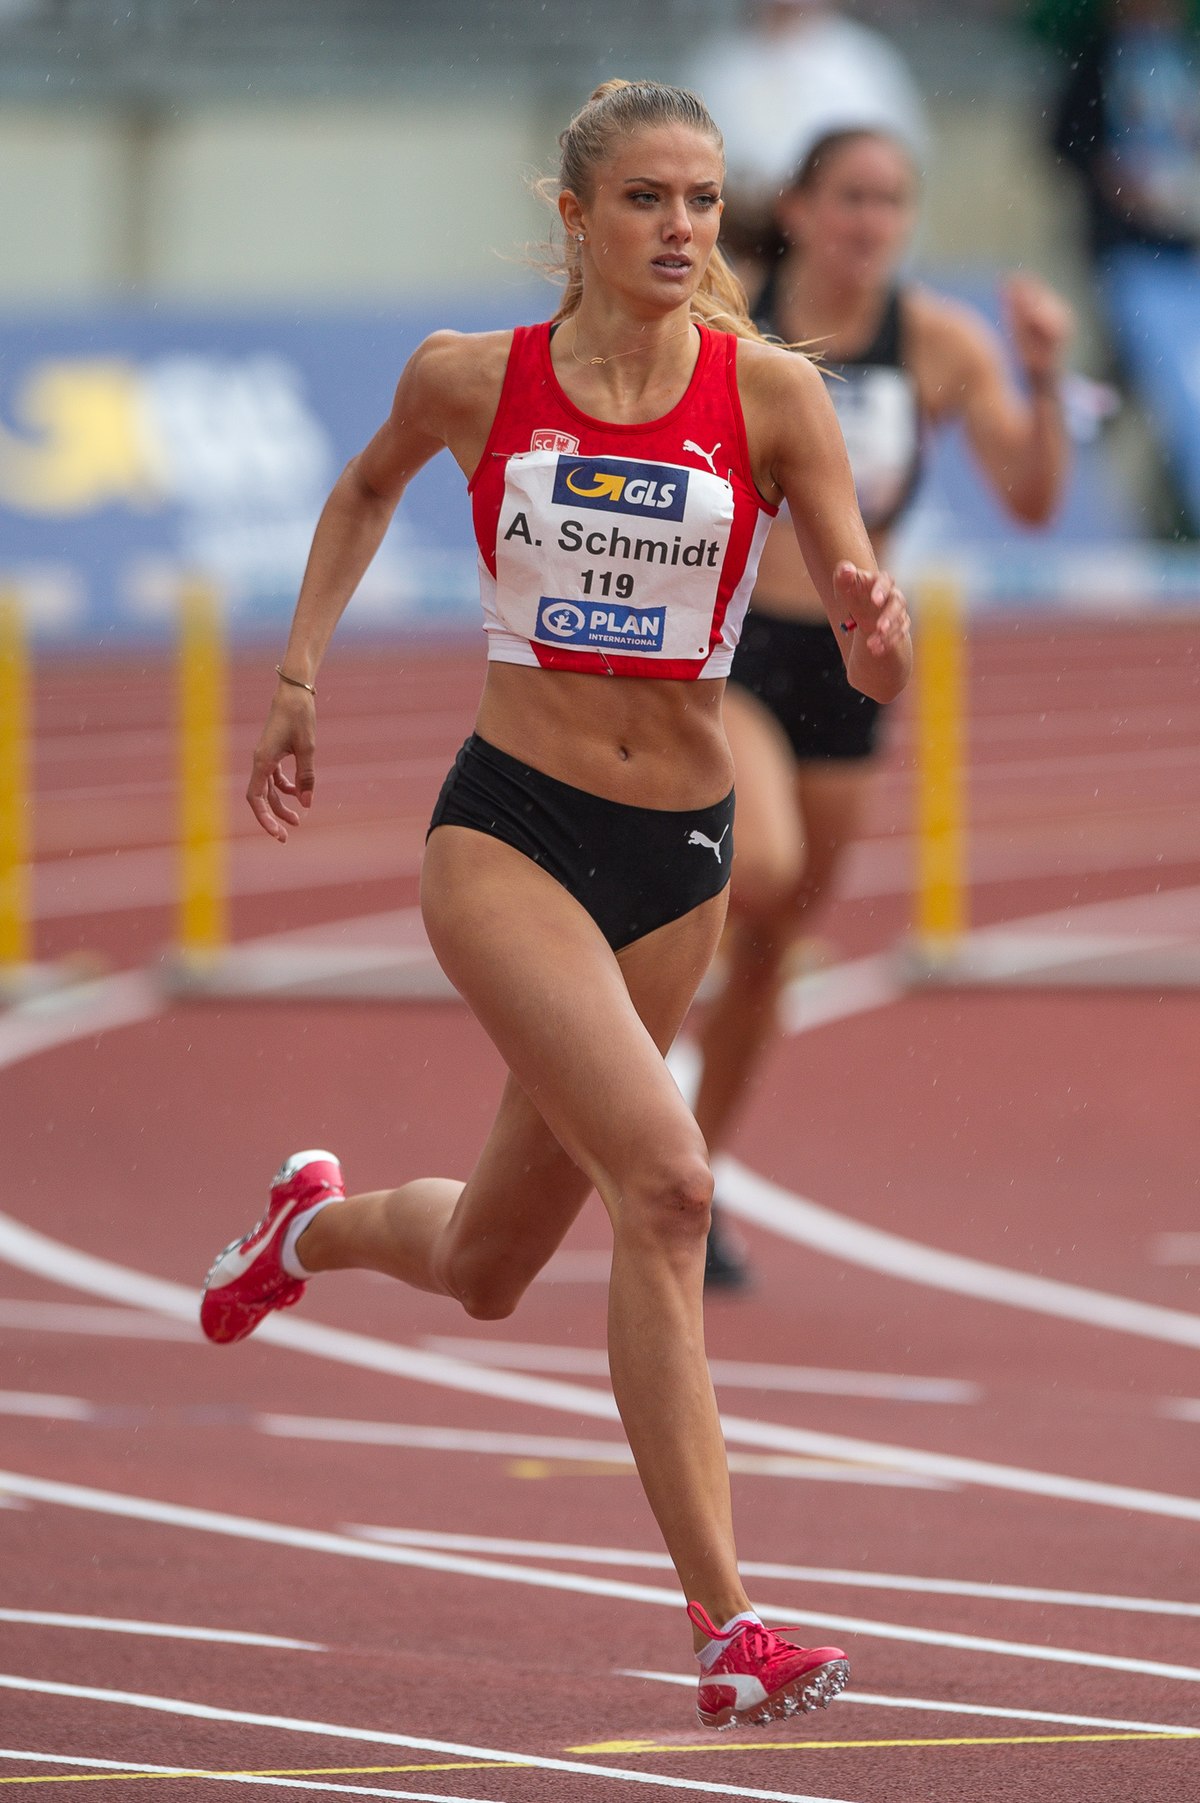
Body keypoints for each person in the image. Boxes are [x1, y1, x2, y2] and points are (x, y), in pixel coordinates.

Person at [197, 79, 910, 1729]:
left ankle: (307, 1221)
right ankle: (733, 1626)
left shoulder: (777, 395)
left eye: (706, 202)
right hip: (509, 832)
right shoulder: (474, 378)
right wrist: (297, 672)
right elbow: (367, 486)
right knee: (665, 1184)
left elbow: (871, 628)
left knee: (492, 1260)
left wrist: (875, 636)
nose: (682, 229)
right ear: (579, 217)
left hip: (677, 861)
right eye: (650, 198)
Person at [697, 126, 1073, 1289]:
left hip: (857, 668)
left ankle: (691, 1185)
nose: (871, 222)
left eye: (892, 201)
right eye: (851, 197)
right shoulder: (727, 319)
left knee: (771, 949)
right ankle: (632, 1024)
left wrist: (1046, 375)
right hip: (729, 646)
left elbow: (1027, 497)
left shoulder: (940, 344)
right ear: (800, 209)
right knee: (760, 866)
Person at [684, 0, 927, 275]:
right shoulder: (720, 66)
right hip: (743, 250)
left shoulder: (864, 66)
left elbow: (898, 170)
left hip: (840, 255)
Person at [1050, 0, 1200, 265]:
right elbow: (1066, 138)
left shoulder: (1179, 55)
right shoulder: (1099, 60)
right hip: (1122, 239)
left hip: (1182, 237)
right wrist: (1111, 181)